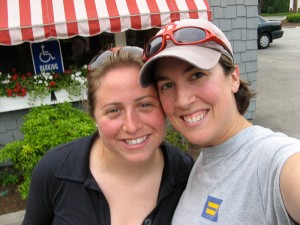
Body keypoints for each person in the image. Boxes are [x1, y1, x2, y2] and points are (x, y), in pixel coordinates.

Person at [139, 19, 300, 225]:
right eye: (168, 85)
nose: (182, 100)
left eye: (197, 75)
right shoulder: (201, 164)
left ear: (233, 78)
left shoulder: (271, 160)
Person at [22, 46, 194, 225]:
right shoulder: (54, 172)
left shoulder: (187, 174)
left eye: (144, 105)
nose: (132, 126)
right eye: (114, 110)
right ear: (94, 116)